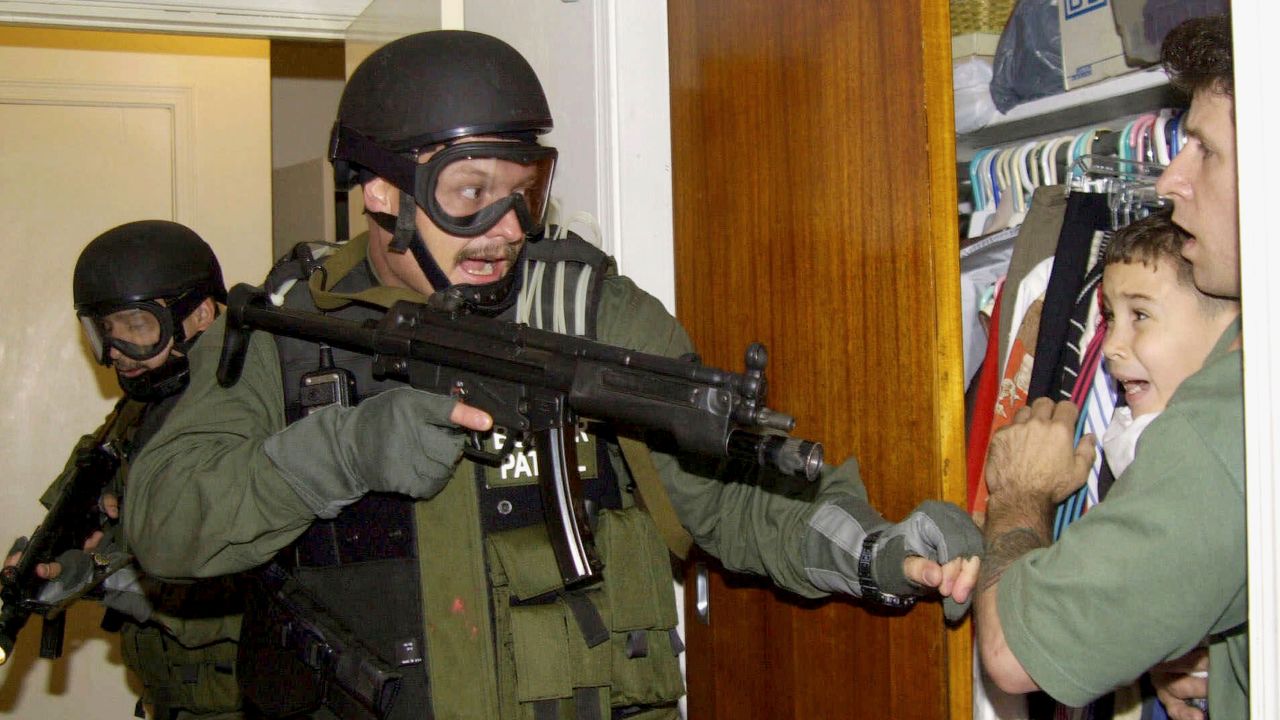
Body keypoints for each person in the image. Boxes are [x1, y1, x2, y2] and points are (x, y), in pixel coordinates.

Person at [125, 30, 983, 719]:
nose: (506, 226)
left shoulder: (589, 315)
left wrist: (872, 550)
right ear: (382, 193)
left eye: (523, 190)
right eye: (470, 193)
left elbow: (727, 496)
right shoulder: (288, 334)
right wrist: (338, 455)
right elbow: (165, 527)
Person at [975, 14, 1246, 720]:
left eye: (1205, 152)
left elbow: (1011, 652)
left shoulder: (1226, 423)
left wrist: (1020, 495)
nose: (1172, 180)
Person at [6, 220, 243, 719]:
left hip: (244, 703)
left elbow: (277, 586)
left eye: (136, 327)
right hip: (168, 702)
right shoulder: (135, 414)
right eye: (104, 330)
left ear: (200, 313)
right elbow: (84, 526)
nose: (116, 352)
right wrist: (54, 568)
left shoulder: (244, 411)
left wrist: (135, 585)